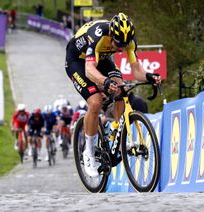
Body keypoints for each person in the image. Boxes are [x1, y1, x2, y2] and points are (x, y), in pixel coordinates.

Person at [65, 12, 161, 177]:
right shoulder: (97, 36)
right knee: (95, 102)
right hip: (78, 61)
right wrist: (105, 82)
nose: (121, 48)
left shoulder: (127, 41)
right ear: (111, 34)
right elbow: (89, 71)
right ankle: (89, 152)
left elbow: (136, 69)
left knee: (121, 88)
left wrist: (149, 76)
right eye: (118, 44)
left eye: (125, 44)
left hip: (101, 58)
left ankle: (118, 131)